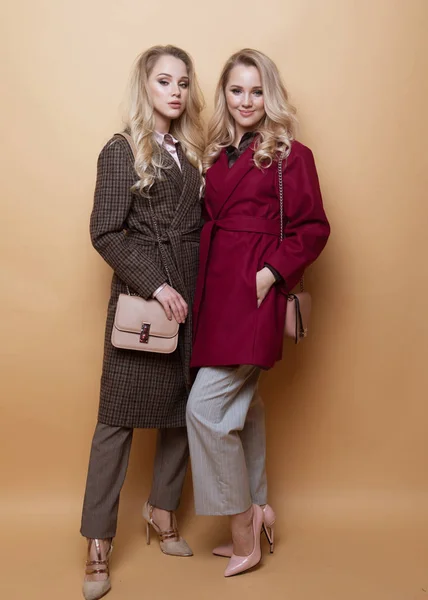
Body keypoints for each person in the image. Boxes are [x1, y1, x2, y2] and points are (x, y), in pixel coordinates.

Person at [186, 48, 330, 577]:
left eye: (256, 90)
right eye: (236, 90)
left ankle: (243, 525)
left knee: (205, 410)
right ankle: (262, 508)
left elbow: (313, 229)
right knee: (245, 413)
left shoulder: (293, 155)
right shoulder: (217, 154)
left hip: (253, 300)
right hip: (214, 298)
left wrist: (270, 274)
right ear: (224, 95)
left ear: (271, 94)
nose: (247, 101)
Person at [81, 45, 204, 600]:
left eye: (182, 81)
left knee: (184, 409)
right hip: (145, 300)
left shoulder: (192, 153)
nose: (175, 91)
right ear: (145, 86)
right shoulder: (121, 148)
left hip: (192, 293)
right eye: (163, 81)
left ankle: (161, 509)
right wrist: (156, 285)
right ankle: (98, 542)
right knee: (117, 420)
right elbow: (107, 231)